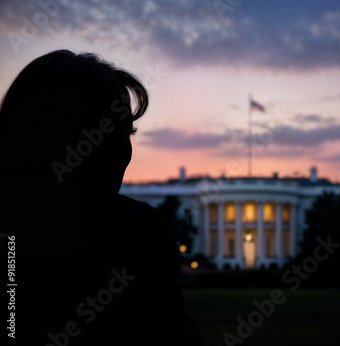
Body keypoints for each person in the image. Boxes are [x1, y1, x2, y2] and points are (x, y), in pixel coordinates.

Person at [0, 49, 202, 345]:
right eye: (107, 130)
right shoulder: (140, 235)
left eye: (128, 133)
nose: (124, 151)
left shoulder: (142, 232)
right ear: (46, 126)